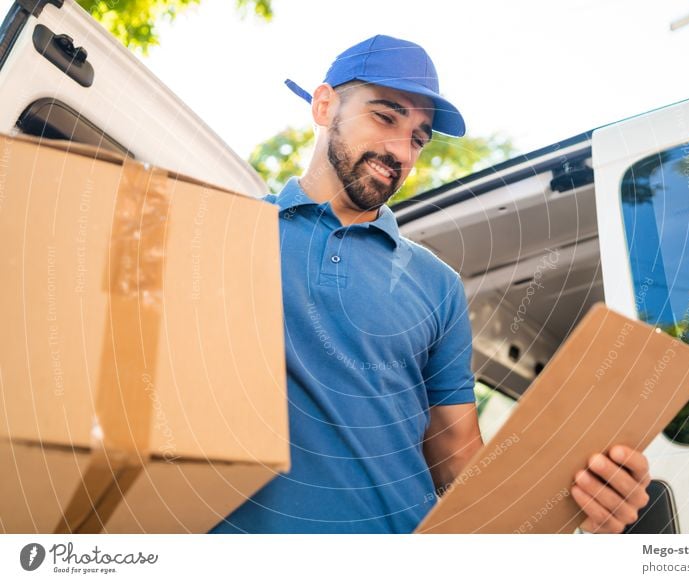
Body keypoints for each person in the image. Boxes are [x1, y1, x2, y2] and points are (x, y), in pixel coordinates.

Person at [210, 34, 651, 534]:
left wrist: (579, 503)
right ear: (324, 104)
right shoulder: (223, 235)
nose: (401, 150)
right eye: (386, 116)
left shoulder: (437, 284)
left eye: (419, 138)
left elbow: (457, 458)